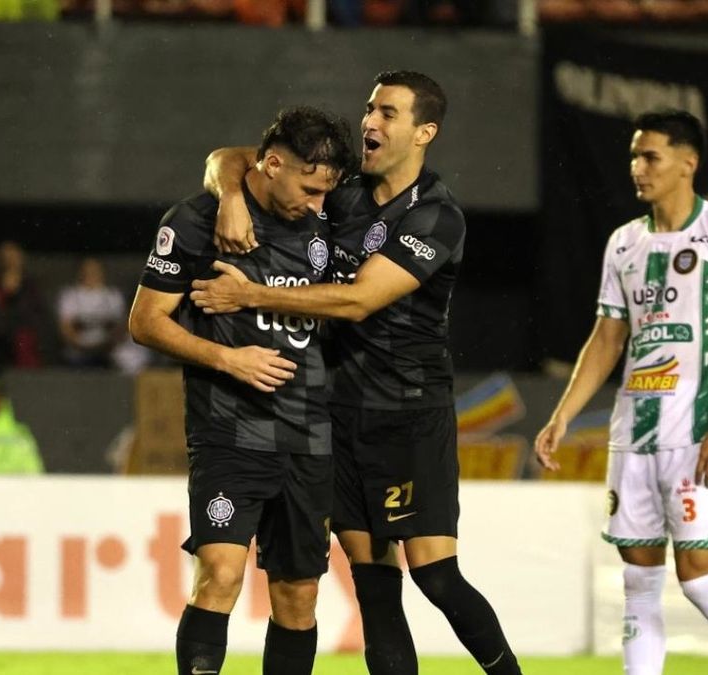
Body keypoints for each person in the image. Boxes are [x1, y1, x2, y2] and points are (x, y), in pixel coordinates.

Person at [193, 71, 522, 674]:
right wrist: (233, 196)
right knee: (373, 589)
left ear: (425, 132)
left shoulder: (437, 218)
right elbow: (231, 158)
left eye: (388, 113)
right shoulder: (341, 188)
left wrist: (253, 297)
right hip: (337, 415)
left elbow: (359, 300)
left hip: (407, 413)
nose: (370, 122)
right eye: (370, 108)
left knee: (436, 575)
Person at [533, 109, 708, 675]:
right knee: (639, 584)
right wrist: (563, 415)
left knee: (700, 580)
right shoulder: (624, 244)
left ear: (688, 163)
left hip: (698, 433)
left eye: (651, 157)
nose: (638, 168)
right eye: (635, 156)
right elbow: (608, 338)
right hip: (632, 432)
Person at [129, 106, 356, 675]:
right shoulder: (196, 220)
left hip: (309, 433)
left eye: (324, 192)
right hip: (228, 429)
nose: (316, 203)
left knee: (299, 595)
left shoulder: (325, 223)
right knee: (221, 575)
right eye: (307, 188)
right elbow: (146, 321)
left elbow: (228, 159)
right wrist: (226, 358)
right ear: (272, 164)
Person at [0, 240, 53, 375]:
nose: (10, 261)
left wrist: (15, 295)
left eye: (13, 256)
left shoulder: (31, 285)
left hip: (23, 335)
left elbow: (35, 315)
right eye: (6, 257)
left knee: (24, 342)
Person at [58, 257, 126, 368]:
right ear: (80, 272)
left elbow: (120, 328)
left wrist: (104, 347)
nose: (90, 274)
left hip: (109, 349)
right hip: (77, 350)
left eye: (95, 270)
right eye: (87, 270)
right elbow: (66, 329)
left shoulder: (113, 295)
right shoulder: (70, 295)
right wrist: (85, 348)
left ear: (102, 272)